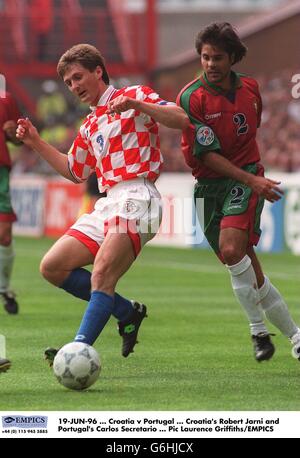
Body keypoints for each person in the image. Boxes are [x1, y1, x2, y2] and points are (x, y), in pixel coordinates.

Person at [16, 44, 189, 365]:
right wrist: (36, 142)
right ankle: (126, 312)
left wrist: (138, 104)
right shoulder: (90, 124)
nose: (74, 86)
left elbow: (181, 119)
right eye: (69, 82)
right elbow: (74, 171)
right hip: (109, 203)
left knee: (101, 275)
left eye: (78, 77)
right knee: (52, 267)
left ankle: (77, 350)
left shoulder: (135, 95)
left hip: (139, 197)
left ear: (99, 71)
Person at [177, 22, 300, 362]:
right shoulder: (191, 98)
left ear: (233, 57)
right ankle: (295, 336)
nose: (210, 65)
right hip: (206, 187)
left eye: (218, 58)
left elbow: (249, 133)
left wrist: (251, 180)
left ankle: (258, 332)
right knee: (244, 266)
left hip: (243, 177)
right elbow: (207, 155)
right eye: (205, 58)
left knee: (232, 251)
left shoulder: (250, 88)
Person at [0, 91, 22, 314]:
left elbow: (18, 137)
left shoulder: (5, 98)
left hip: (0, 173)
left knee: (4, 234)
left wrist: (12, 133)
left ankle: (4, 288)